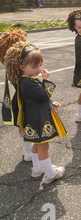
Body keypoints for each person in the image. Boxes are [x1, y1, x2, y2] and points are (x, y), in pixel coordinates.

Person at [4, 42, 67, 184]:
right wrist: (46, 80)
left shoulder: (27, 79)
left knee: (37, 144)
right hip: (38, 119)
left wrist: (51, 102)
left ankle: (37, 169)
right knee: (44, 146)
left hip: (34, 117)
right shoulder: (27, 82)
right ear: (21, 67)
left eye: (40, 65)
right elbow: (42, 95)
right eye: (34, 67)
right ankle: (50, 173)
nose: (39, 69)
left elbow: (39, 98)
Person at [0, 29, 33, 161]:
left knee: (22, 125)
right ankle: (29, 151)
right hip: (23, 100)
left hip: (19, 100)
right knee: (24, 125)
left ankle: (27, 150)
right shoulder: (18, 67)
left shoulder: (11, 66)